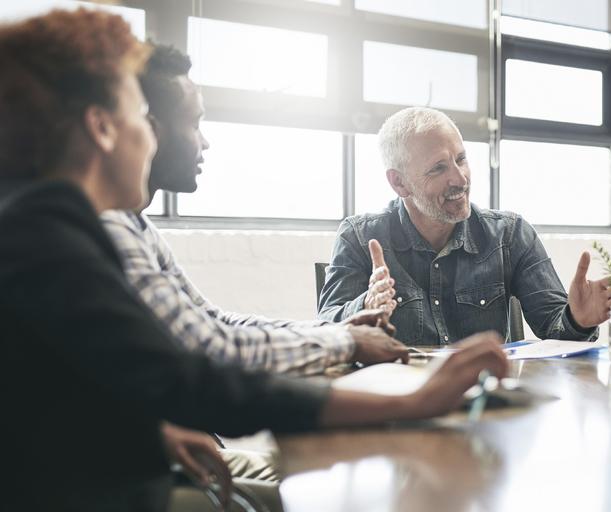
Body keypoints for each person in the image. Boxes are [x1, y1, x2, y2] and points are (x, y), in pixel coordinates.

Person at [0, 9, 508, 510]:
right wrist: (411, 401)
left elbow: (113, 369)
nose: (150, 137)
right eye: (139, 117)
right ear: (102, 129)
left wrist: (151, 428)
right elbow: (199, 378)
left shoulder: (46, 224)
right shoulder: (50, 235)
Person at [101, 44, 407, 377]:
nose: (204, 142)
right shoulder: (110, 225)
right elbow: (211, 349)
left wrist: (336, 331)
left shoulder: (138, 225)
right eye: (194, 123)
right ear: (148, 129)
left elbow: (213, 321)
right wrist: (346, 341)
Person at [318, 107, 611, 345]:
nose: (460, 179)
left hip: (489, 404)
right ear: (399, 182)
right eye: (438, 168)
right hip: (404, 407)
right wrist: (365, 306)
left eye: (461, 159)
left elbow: (555, 328)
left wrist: (578, 320)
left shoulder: (510, 235)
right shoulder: (359, 237)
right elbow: (326, 330)